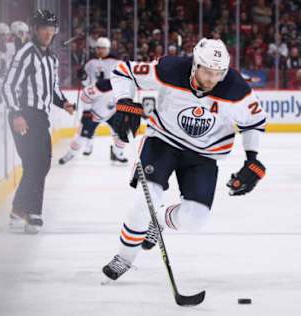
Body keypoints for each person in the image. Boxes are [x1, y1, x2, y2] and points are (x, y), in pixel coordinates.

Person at [102, 38, 267, 281]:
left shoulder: (236, 88)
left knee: (195, 219)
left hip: (204, 155)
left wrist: (252, 158)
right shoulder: (170, 69)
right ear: (195, 65)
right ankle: (124, 258)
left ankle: (157, 221)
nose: (212, 79)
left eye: (218, 73)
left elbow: (254, 122)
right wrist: (125, 101)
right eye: (208, 72)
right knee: (142, 203)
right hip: (163, 142)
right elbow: (123, 71)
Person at [1, 9, 75, 233]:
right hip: (26, 114)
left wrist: (64, 103)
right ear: (35, 29)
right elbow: (9, 86)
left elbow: (52, 89)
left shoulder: (51, 58)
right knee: (36, 164)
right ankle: (33, 213)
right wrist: (17, 114)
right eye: (44, 28)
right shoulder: (26, 54)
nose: (49, 32)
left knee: (39, 165)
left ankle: (18, 209)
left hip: (41, 116)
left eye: (52, 28)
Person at [58, 78, 128, 164]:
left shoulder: (123, 87)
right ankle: (70, 154)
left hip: (112, 114)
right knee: (81, 137)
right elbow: (85, 96)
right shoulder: (99, 87)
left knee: (123, 134)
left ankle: (117, 153)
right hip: (94, 115)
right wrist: (87, 111)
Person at [75, 37, 121, 156]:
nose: (100, 50)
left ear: (108, 48)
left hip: (110, 100)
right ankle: (88, 146)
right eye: (98, 48)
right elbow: (86, 82)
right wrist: (82, 76)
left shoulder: (116, 62)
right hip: (94, 99)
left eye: (103, 48)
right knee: (89, 124)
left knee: (118, 128)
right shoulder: (90, 63)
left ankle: (117, 152)